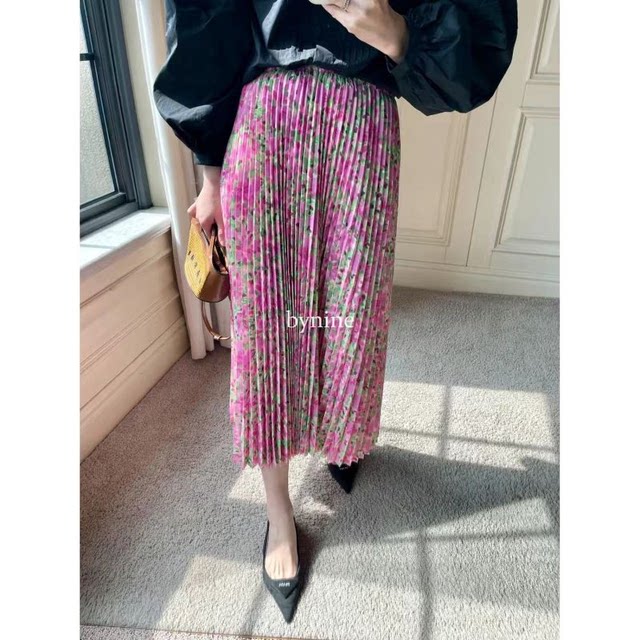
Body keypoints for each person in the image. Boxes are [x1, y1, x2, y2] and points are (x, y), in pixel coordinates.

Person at [154, 0, 517, 623]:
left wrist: (399, 35)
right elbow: (204, 23)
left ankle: (340, 436)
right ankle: (278, 513)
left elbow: (475, 29)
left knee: (353, 315)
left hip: (364, 121)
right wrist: (210, 176)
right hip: (266, 119)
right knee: (268, 329)